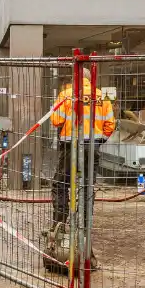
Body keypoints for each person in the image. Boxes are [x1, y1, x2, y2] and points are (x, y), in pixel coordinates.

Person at [49, 76, 115, 226]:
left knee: (61, 183)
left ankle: (59, 223)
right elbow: (110, 125)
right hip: (92, 146)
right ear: (90, 79)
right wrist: (99, 141)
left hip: (70, 146)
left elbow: (56, 121)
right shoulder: (101, 96)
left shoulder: (66, 94)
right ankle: (84, 225)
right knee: (87, 186)